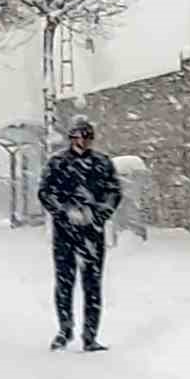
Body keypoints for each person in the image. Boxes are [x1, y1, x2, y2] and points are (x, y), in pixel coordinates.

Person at [37, 115, 122, 352]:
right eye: (77, 137)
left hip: (92, 233)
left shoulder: (102, 163)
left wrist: (97, 215)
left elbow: (113, 193)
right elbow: (45, 192)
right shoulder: (58, 163)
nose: (81, 142)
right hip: (64, 234)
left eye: (86, 137)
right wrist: (64, 213)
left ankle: (90, 336)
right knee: (65, 283)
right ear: (70, 139)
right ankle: (65, 330)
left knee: (92, 285)